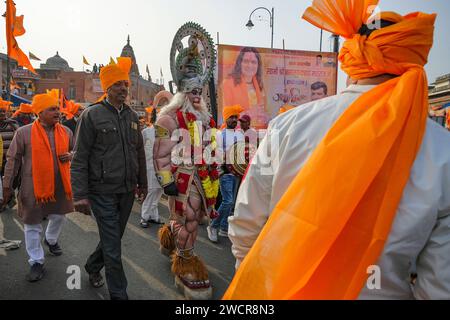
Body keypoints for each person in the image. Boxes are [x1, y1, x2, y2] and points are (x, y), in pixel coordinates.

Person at [224, 0, 450, 300]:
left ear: (352, 59)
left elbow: (245, 225)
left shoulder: (287, 127)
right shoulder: (441, 150)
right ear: (413, 62)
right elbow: (439, 285)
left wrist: (254, 280)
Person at [71, 57, 147, 300]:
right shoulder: (91, 116)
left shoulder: (133, 117)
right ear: (107, 88)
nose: (124, 89)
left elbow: (139, 153)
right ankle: (119, 293)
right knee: (114, 247)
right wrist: (80, 195)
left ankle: (93, 266)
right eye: (118, 85)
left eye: (125, 84)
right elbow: (80, 157)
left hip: (126, 191)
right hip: (101, 192)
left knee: (112, 239)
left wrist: (142, 183)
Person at [154, 50, 219, 299]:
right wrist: (166, 181)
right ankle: (186, 263)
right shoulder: (168, 119)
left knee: (196, 218)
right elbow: (160, 155)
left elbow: (211, 147)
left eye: (200, 92)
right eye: (193, 92)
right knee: (190, 220)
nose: (198, 96)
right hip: (182, 176)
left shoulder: (205, 119)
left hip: (203, 177)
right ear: (182, 93)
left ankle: (170, 237)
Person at [2, 89, 74, 282]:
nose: (57, 112)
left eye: (58, 108)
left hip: (60, 185)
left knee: (59, 216)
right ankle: (36, 261)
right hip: (32, 186)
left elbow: (76, 152)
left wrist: (71, 156)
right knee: (32, 224)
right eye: (52, 109)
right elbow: (13, 160)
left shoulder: (66, 131)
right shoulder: (23, 133)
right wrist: (7, 186)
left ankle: (50, 239)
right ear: (39, 113)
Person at [207, 105, 244, 243]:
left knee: (231, 202)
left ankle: (224, 227)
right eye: (231, 117)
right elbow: (217, 154)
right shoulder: (220, 134)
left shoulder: (240, 134)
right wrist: (224, 167)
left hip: (236, 174)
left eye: (236, 117)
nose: (234, 119)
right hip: (224, 172)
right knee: (227, 201)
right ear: (226, 119)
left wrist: (240, 169)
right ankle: (213, 226)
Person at [222, 47, 268, 129]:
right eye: (246, 61)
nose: (250, 65)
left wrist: (265, 118)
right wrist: (251, 113)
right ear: (240, 63)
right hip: (235, 134)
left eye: (253, 62)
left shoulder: (259, 85)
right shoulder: (228, 83)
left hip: (257, 133)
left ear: (258, 65)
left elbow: (262, 112)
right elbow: (227, 117)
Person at [140, 107, 164, 228]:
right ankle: (144, 217)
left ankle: (153, 216)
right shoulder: (146, 132)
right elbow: (139, 149)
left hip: (163, 167)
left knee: (159, 190)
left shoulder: (167, 133)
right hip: (149, 166)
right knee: (151, 191)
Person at [0, 98, 19, 211]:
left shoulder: (13, 124)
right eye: (0, 112)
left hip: (11, 159)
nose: (2, 113)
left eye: (3, 111)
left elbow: (19, 138)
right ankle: (2, 201)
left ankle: (9, 197)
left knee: (11, 179)